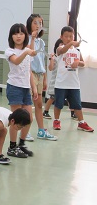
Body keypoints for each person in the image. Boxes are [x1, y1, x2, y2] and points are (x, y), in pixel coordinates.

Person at [5, 23, 37, 158]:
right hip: (14, 87)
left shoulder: (27, 50)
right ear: (11, 36)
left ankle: (21, 144)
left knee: (29, 118)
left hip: (26, 88)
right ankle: (12, 147)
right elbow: (17, 61)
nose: (18, 36)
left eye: (21, 33)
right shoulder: (9, 51)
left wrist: (34, 87)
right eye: (15, 33)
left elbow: (28, 70)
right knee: (15, 119)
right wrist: (26, 51)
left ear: (25, 36)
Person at [52, 26, 94, 132]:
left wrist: (78, 63)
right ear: (61, 37)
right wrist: (71, 43)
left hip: (74, 84)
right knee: (59, 104)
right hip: (61, 83)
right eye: (66, 36)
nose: (69, 38)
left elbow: (83, 63)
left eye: (71, 36)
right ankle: (56, 120)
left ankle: (81, 122)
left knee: (77, 104)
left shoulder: (77, 50)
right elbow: (62, 51)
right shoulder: (60, 48)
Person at [26, 14, 57, 141]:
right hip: (30, 74)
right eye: (35, 22)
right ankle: (25, 131)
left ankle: (41, 130)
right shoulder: (27, 39)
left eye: (40, 23)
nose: (38, 25)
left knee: (38, 105)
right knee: (27, 105)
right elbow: (31, 53)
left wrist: (44, 78)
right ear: (30, 24)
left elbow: (41, 59)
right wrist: (32, 38)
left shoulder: (41, 41)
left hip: (39, 74)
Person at [43, 39, 78, 121]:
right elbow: (50, 68)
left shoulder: (67, 56)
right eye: (61, 44)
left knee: (69, 97)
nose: (63, 45)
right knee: (53, 97)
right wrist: (51, 60)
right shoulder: (55, 56)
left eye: (64, 44)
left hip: (64, 81)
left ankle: (73, 113)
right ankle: (45, 111)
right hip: (56, 81)